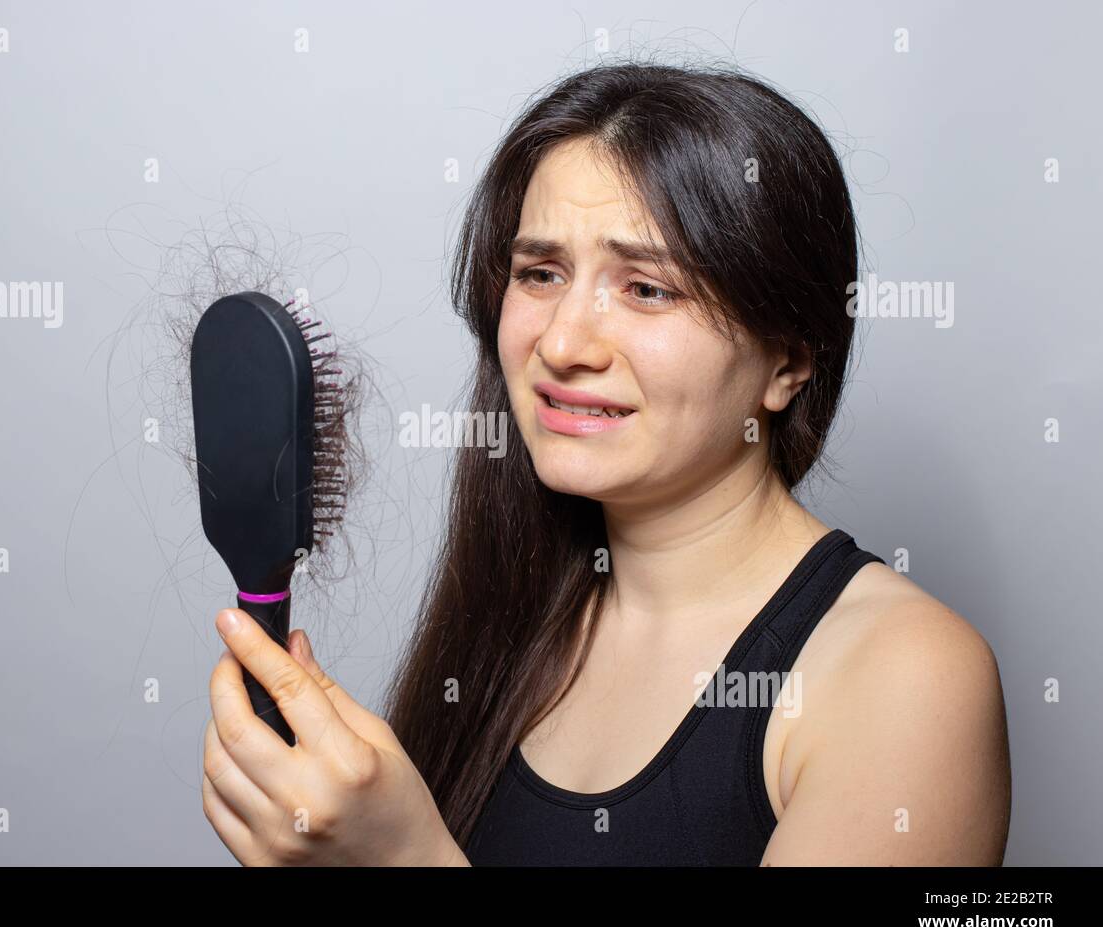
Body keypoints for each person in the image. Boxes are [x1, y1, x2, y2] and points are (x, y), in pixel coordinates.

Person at [200, 62, 1012, 866]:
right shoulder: (520, 615)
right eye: (541, 274)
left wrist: (404, 858)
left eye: (647, 289)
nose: (561, 343)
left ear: (787, 364)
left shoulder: (907, 678)